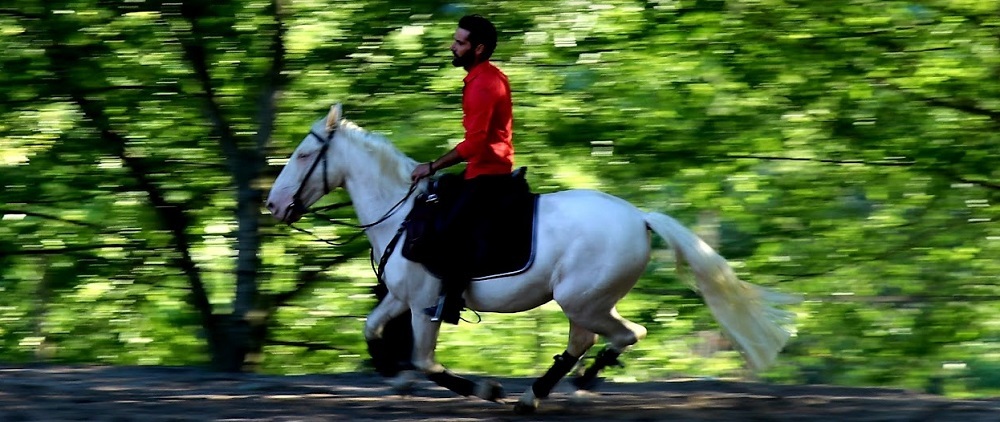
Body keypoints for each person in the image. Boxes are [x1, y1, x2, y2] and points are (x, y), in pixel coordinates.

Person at [410, 14, 514, 324]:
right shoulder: (482, 78)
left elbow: (475, 144)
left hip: (489, 173)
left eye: (459, 42)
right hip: (478, 171)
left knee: (451, 229)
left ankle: (451, 302)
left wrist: (432, 166)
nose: (452, 47)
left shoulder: (484, 84)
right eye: (455, 41)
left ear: (478, 49)